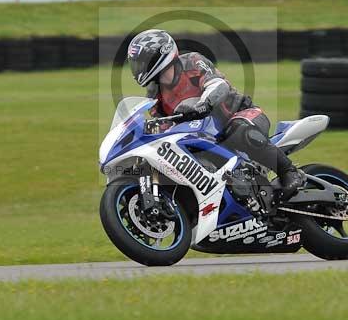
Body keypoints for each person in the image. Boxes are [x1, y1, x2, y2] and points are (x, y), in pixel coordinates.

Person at [127, 28, 302, 198]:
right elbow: (164, 129)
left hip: (240, 114)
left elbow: (218, 85)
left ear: (162, 53)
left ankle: (289, 173)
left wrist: (205, 104)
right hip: (206, 136)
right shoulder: (154, 96)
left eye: (142, 61)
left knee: (239, 130)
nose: (137, 68)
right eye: (135, 63)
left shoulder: (192, 62)